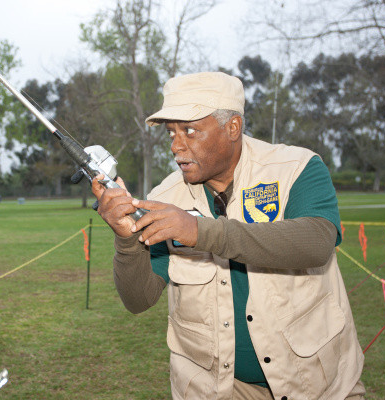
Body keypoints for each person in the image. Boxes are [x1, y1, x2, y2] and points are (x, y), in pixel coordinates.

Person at [92, 72, 365, 400]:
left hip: (318, 386)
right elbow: (138, 299)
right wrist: (126, 240)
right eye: (171, 134)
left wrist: (198, 231)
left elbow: (317, 241)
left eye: (190, 131)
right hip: (218, 390)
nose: (177, 147)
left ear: (232, 127)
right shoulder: (166, 196)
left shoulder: (297, 168)